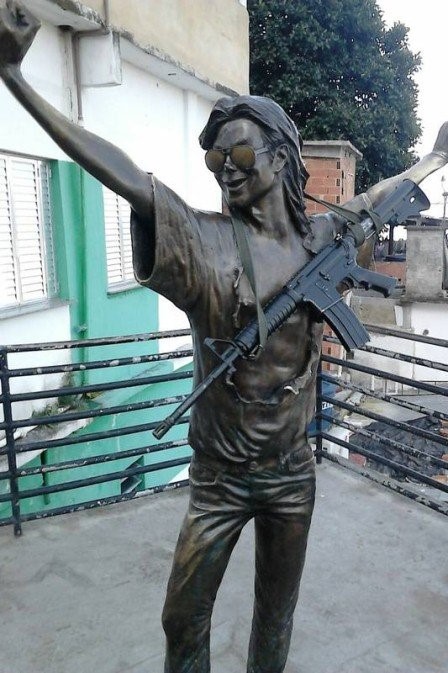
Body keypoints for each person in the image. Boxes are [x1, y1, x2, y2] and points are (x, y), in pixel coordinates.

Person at [1, 3, 447, 672]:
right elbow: (127, 177)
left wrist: (434, 157)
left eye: (238, 153)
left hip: (293, 472)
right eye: (215, 158)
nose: (224, 168)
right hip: (220, 478)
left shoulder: (322, 236)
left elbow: (381, 197)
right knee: (181, 616)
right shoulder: (205, 243)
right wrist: (16, 81)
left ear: (280, 156)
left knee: (277, 612)